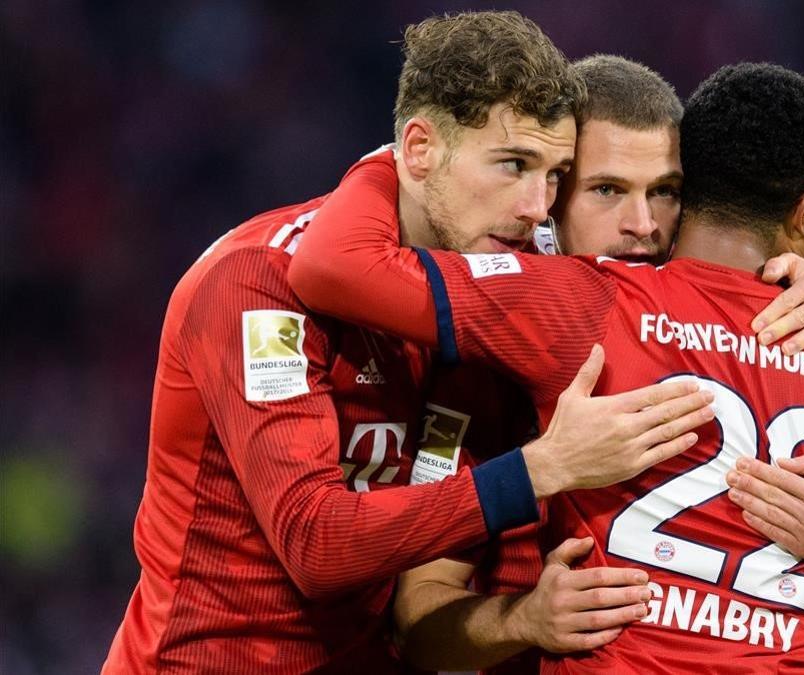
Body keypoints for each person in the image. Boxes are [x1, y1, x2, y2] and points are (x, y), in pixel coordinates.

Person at [288, 62, 804, 672]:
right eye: (608, 191)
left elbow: (340, 265)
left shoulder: (583, 308)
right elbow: (415, 626)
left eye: (665, 194)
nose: (641, 224)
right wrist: (524, 618)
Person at [101, 12, 719, 673]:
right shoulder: (259, 284)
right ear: (419, 151)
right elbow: (315, 545)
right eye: (513, 165)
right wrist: (543, 467)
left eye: (554, 176)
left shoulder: (484, 282)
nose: (538, 206)